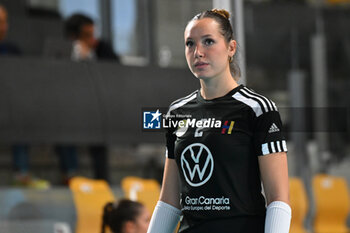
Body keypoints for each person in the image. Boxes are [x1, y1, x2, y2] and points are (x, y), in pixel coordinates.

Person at [147, 9, 291, 233]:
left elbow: (278, 199)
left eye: (208, 42)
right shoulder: (177, 112)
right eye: (190, 44)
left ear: (231, 47)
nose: (198, 52)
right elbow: (169, 202)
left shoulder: (258, 109)